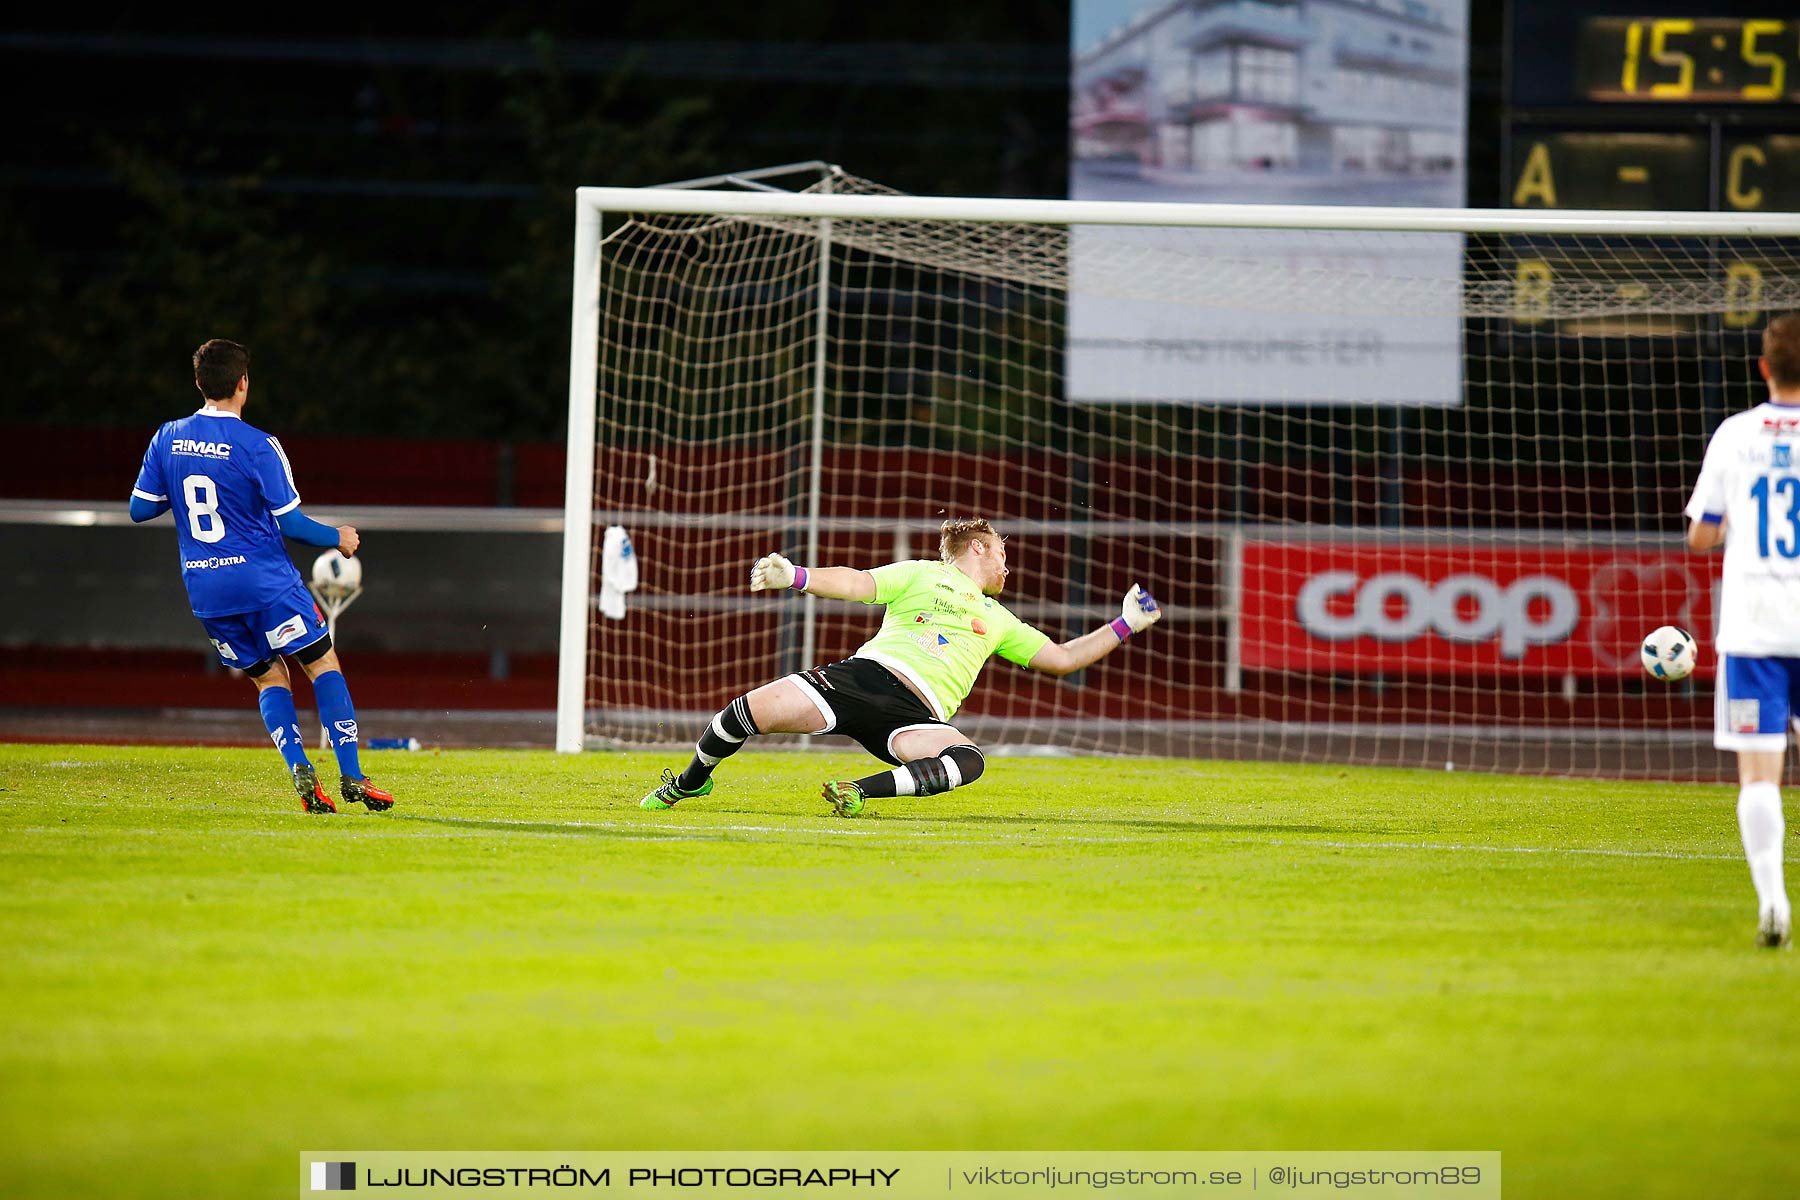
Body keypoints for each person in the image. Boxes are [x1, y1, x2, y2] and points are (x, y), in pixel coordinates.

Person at [639, 517, 1163, 817]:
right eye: (1003, 551)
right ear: (978, 546)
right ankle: (691, 781)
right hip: (860, 677)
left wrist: (1124, 625)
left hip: (914, 715)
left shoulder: (999, 619)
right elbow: (856, 583)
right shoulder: (921, 573)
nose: (1008, 563)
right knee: (744, 712)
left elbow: (1064, 659)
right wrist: (796, 576)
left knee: (969, 760)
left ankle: (858, 791)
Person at [128, 338, 394, 815]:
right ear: (243, 383)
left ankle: (298, 766)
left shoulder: (167, 437)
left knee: (269, 678)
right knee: (321, 665)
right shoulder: (259, 446)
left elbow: (139, 509)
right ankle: (352, 774)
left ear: (198, 382)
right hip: (266, 582)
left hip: (207, 588)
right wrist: (339, 536)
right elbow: (291, 524)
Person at [1685, 313, 1800, 948]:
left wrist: (1739, 527)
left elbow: (1701, 534)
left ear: (1764, 368)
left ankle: (1774, 903)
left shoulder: (1736, 434)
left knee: (1759, 777)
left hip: (1754, 628)